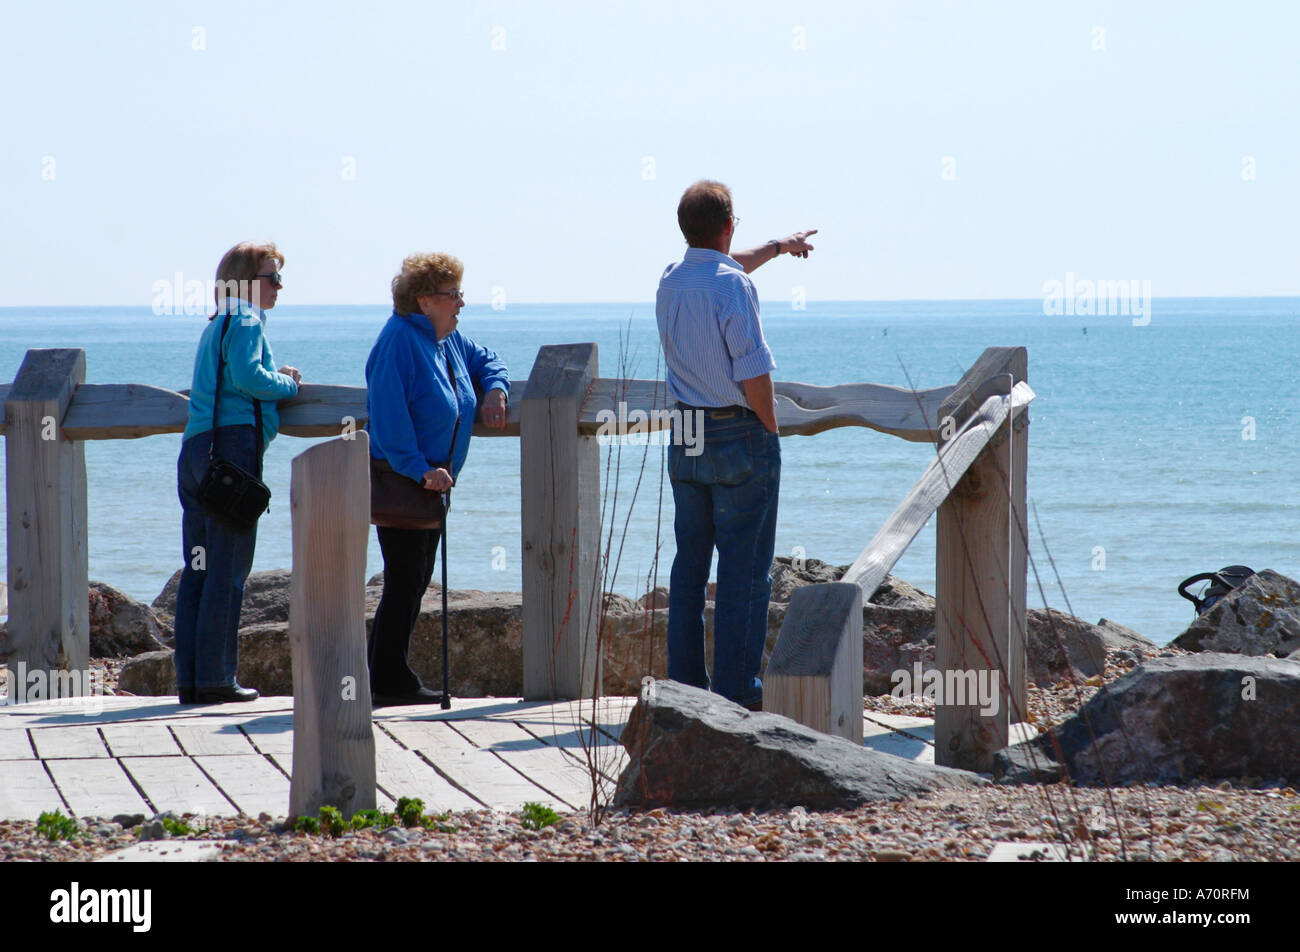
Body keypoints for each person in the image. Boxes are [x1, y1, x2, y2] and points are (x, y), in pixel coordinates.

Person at [656, 180, 816, 709]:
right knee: (744, 570)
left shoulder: (671, 280)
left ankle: (682, 690)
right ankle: (736, 696)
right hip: (736, 431)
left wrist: (777, 245)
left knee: (690, 565)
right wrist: (769, 428)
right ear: (728, 226)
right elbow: (754, 372)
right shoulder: (733, 287)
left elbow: (720, 263)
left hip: (686, 431)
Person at [365, 252, 509, 706]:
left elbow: (487, 360)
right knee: (406, 580)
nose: (461, 303)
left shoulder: (445, 339)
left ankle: (391, 675)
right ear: (425, 300)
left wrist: (496, 389)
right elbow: (389, 420)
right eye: (453, 295)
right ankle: (387, 679)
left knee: (414, 578)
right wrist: (420, 469)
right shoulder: (399, 341)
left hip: (434, 484)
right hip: (408, 481)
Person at [175, 241, 302, 704]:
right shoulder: (246, 319)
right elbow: (248, 378)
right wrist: (287, 383)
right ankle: (216, 679)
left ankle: (189, 678)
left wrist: (270, 368)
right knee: (227, 570)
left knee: (199, 568)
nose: (279, 287)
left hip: (195, 450)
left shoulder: (216, 324)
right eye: (272, 278)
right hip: (230, 451)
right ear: (247, 282)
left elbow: (234, 374)